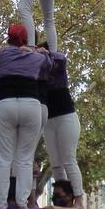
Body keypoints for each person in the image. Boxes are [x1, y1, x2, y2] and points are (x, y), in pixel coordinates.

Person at [0, 25, 52, 209]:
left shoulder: (1, 53)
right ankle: (22, 201)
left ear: (9, 38)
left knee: (3, 157)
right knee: (25, 157)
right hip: (31, 104)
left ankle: (2, 202)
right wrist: (39, 51)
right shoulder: (35, 56)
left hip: (5, 105)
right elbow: (51, 64)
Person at [41, 51, 82, 200]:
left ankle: (78, 199)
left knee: (69, 160)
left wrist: (47, 53)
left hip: (66, 117)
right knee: (56, 163)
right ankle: (61, 197)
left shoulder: (58, 66)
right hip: (49, 120)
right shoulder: (38, 71)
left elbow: (61, 57)